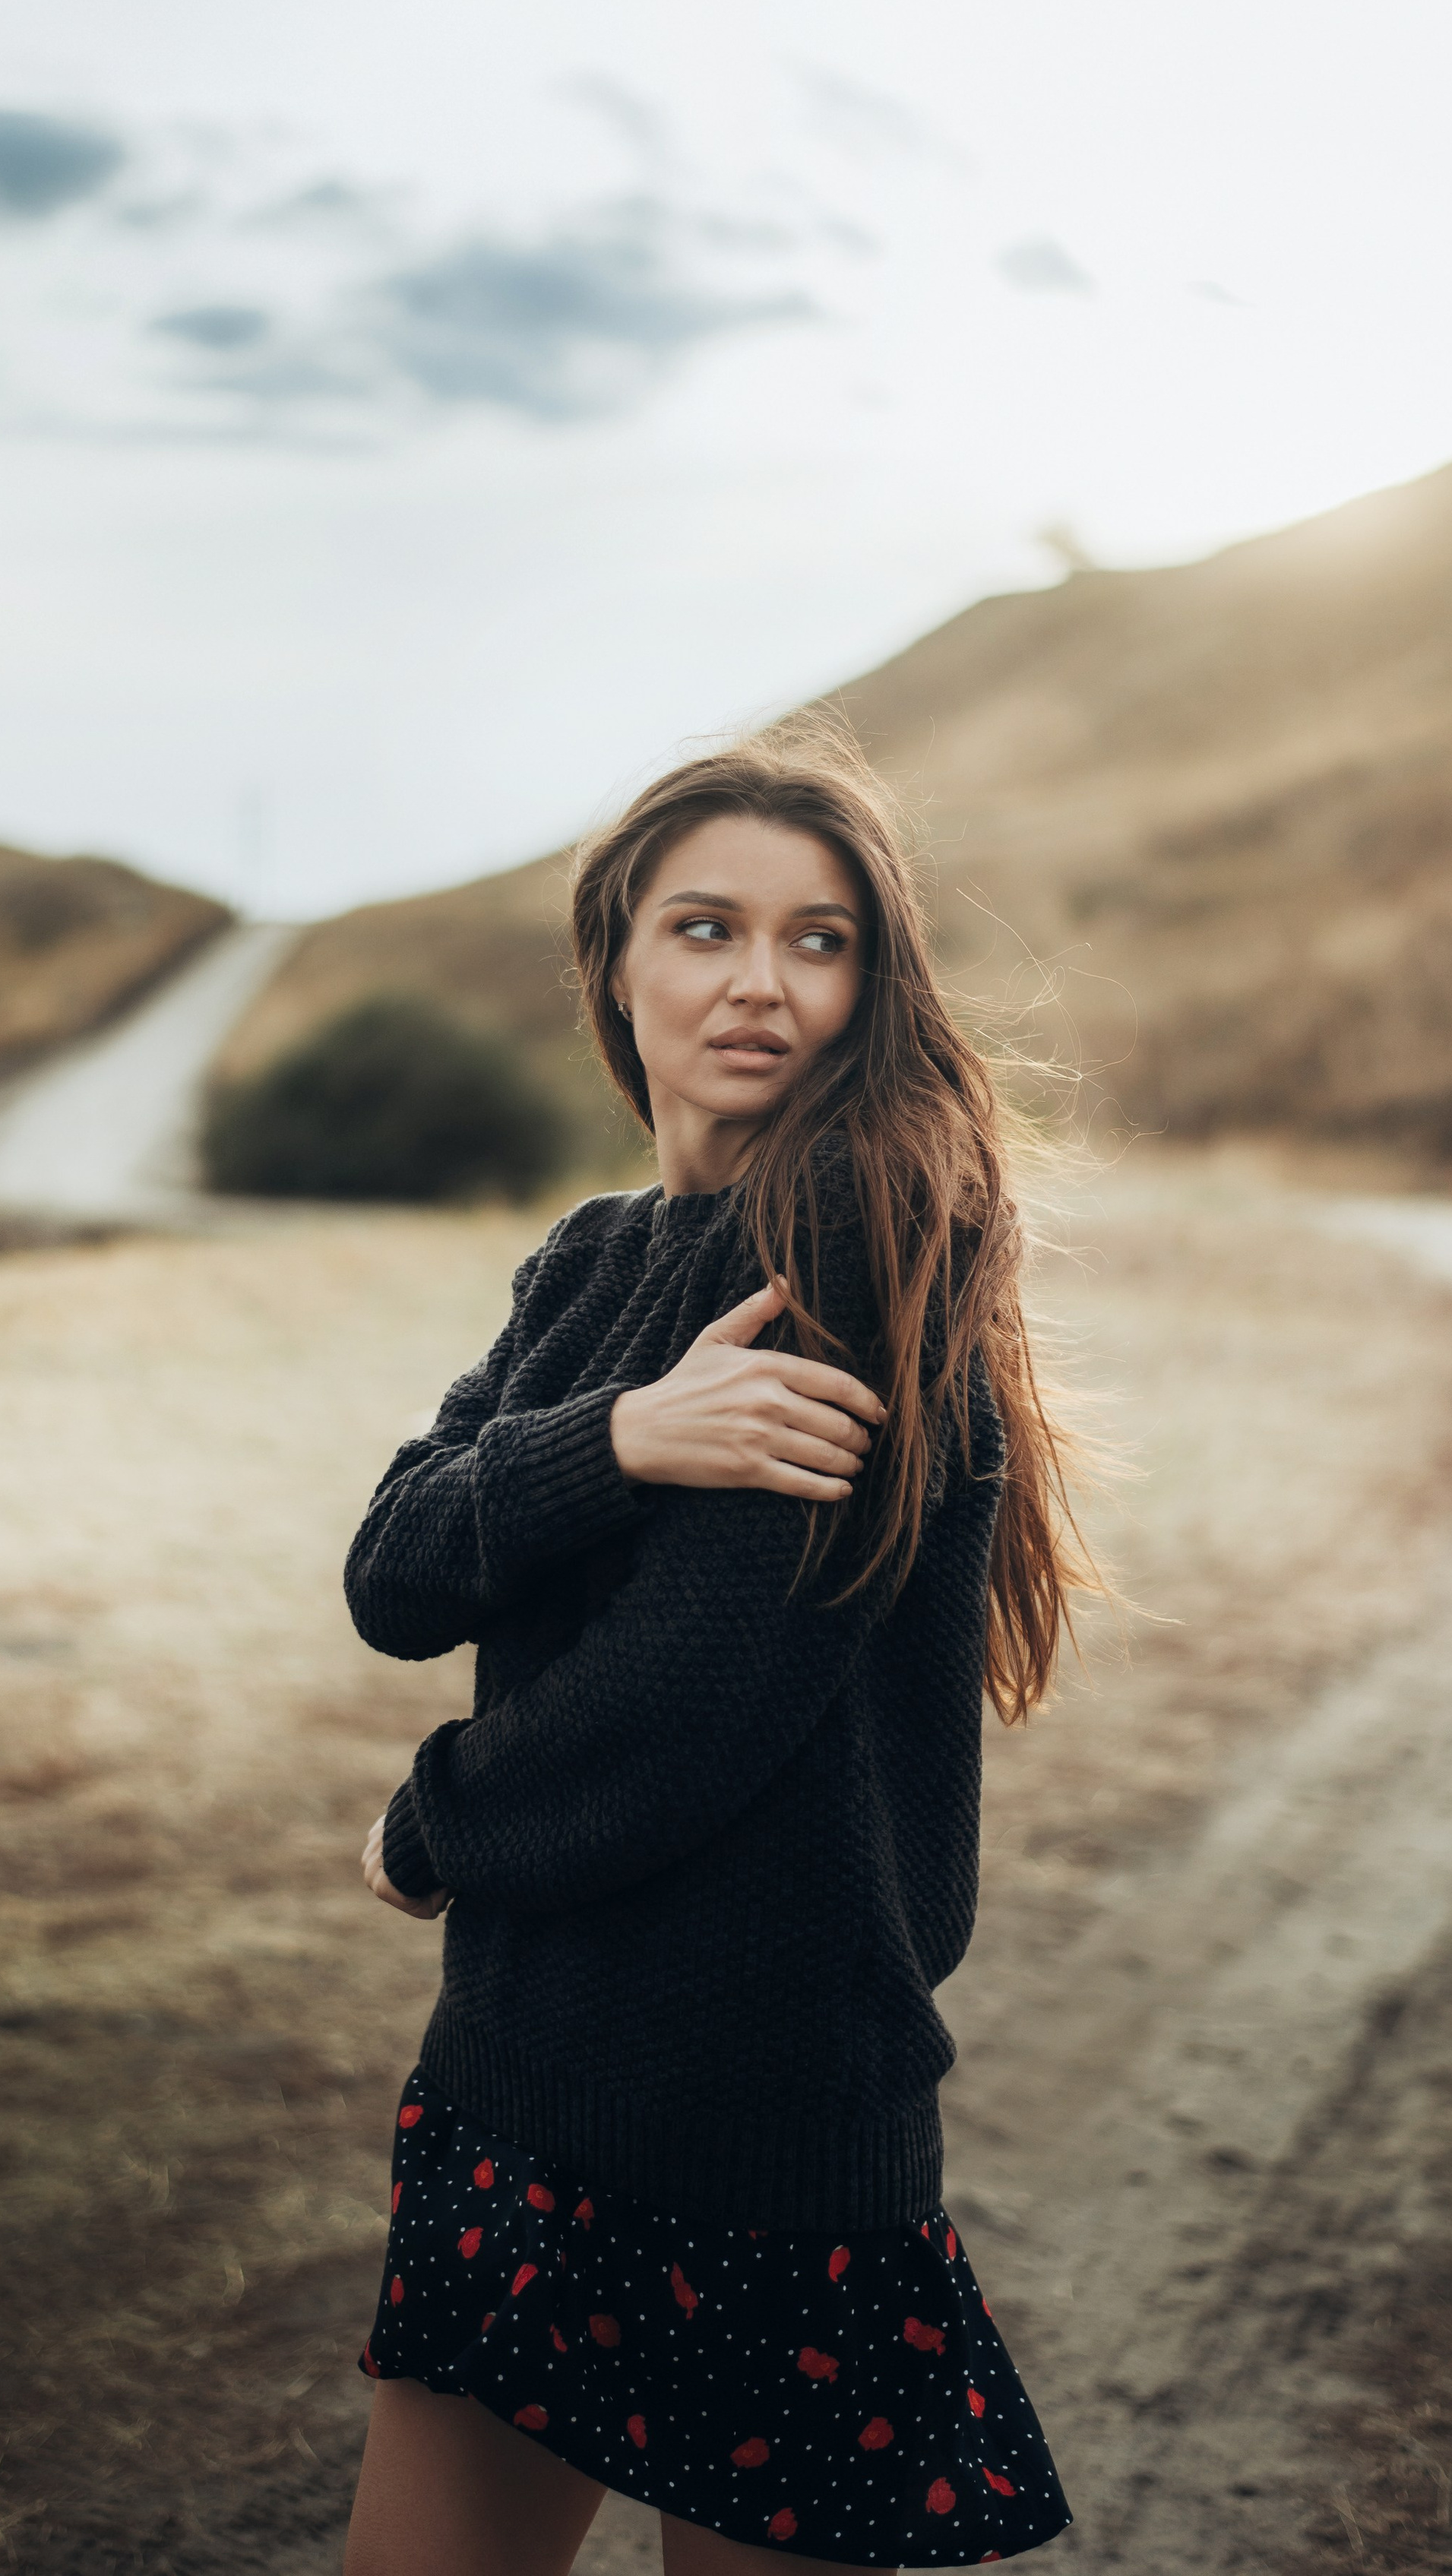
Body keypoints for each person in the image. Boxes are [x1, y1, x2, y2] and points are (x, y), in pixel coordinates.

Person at [340, 724, 1085, 2575]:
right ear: (615, 961)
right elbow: (389, 1568)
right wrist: (613, 1438)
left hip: (760, 2118)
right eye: (704, 928)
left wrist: (426, 1828)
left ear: (869, 980)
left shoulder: (857, 1238)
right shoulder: (591, 1262)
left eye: (818, 939)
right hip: (524, 2066)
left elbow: (693, 1699)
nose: (760, 981)